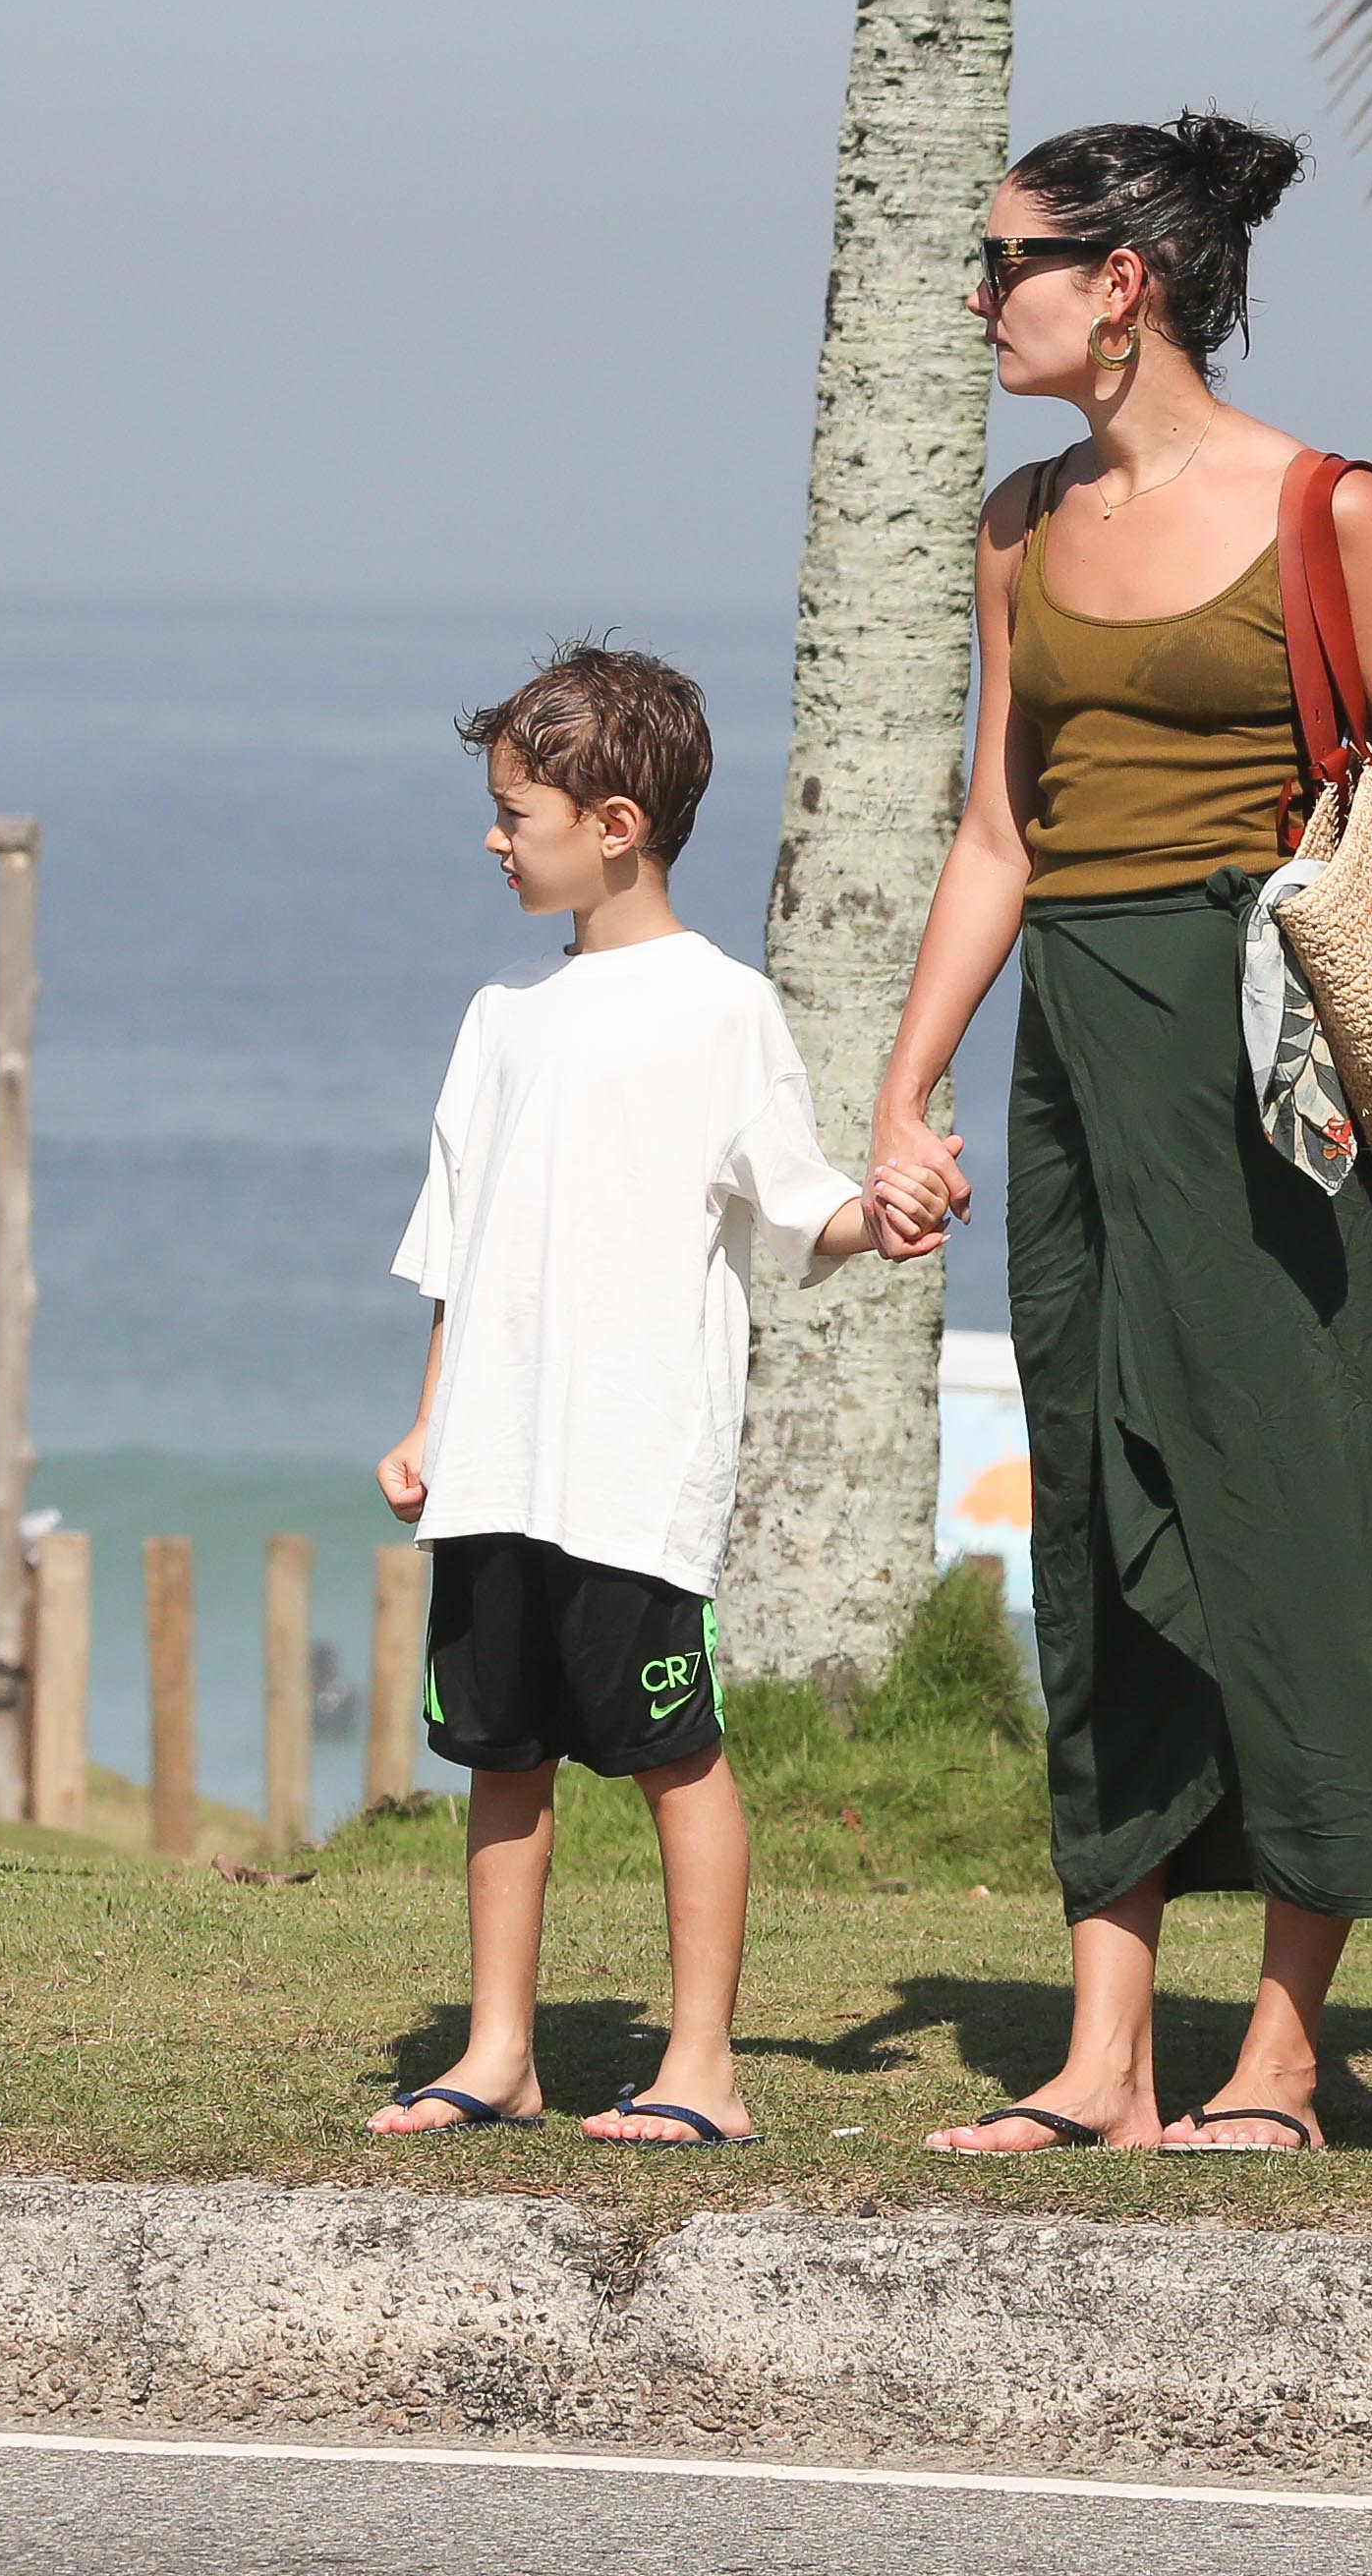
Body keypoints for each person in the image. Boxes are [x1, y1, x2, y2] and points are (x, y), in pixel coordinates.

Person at [866, 112, 1372, 2157]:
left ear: (1118, 281)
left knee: (1285, 1515)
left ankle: (1286, 2057)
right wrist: (908, 1082)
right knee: (1098, 1523)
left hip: (1269, 1064)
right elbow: (996, 833)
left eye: (1008, 265)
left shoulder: (1333, 508)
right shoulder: (1014, 523)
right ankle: (1107, 2055)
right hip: (1076, 1054)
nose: (981, 300)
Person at [368, 644, 934, 2148]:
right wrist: (430, 1422)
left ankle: (702, 2068)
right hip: (494, 1460)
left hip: (630, 1468)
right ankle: (499, 2051)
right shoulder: (501, 1017)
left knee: (675, 1758)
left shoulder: (721, 1007)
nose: (496, 839)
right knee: (499, 1758)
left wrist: (890, 1215)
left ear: (614, 823)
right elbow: (454, 1245)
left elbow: (801, 1202)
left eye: (517, 813)